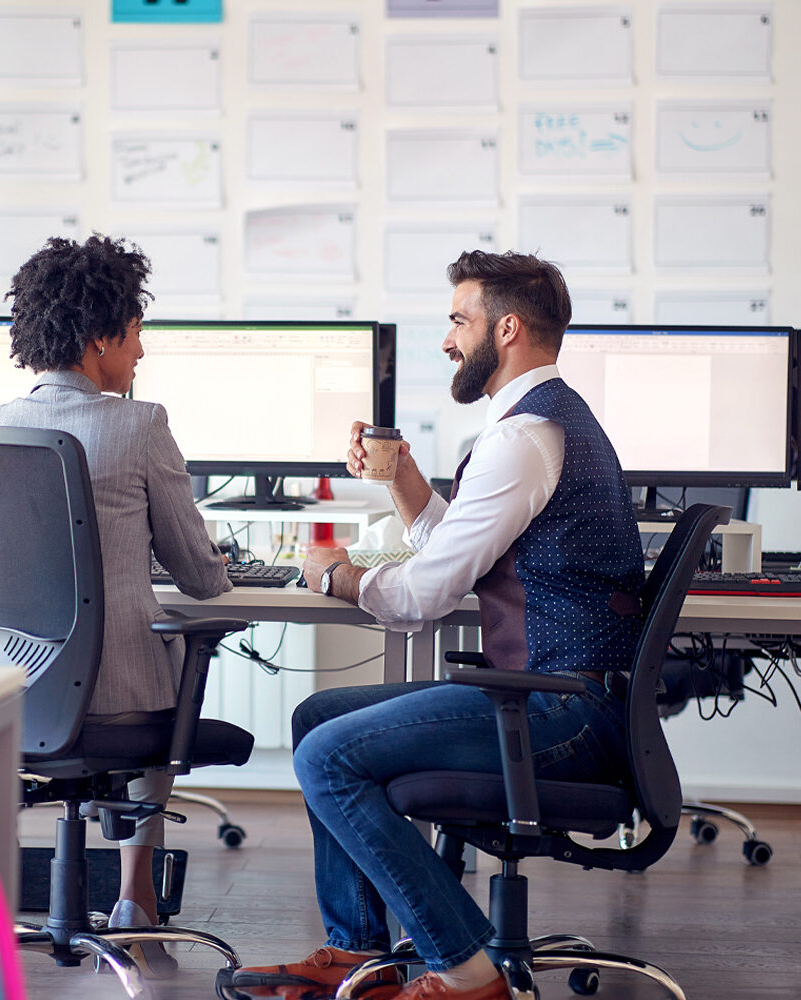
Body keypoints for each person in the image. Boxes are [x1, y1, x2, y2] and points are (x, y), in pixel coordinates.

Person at [229, 250, 645, 1000]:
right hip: (560, 694)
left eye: (459, 320)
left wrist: (334, 573)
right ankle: (359, 951)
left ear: (507, 328)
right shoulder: (544, 421)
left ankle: (466, 968)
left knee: (328, 757)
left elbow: (420, 597)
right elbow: (459, 552)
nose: (447, 340)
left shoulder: (522, 440)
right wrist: (404, 483)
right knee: (318, 714)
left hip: (560, 711)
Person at [0, 234, 230, 978]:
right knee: (177, 644)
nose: (141, 354)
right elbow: (200, 578)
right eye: (136, 334)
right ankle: (132, 897)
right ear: (100, 340)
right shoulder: (140, 423)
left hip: (8, 700)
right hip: (115, 705)